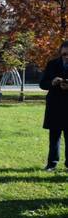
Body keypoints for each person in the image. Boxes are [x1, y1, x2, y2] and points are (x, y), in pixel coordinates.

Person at [40, 40, 68, 171]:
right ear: (60, 53)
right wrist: (52, 82)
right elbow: (42, 84)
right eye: (64, 54)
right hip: (55, 106)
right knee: (54, 137)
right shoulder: (52, 64)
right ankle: (52, 164)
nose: (66, 56)